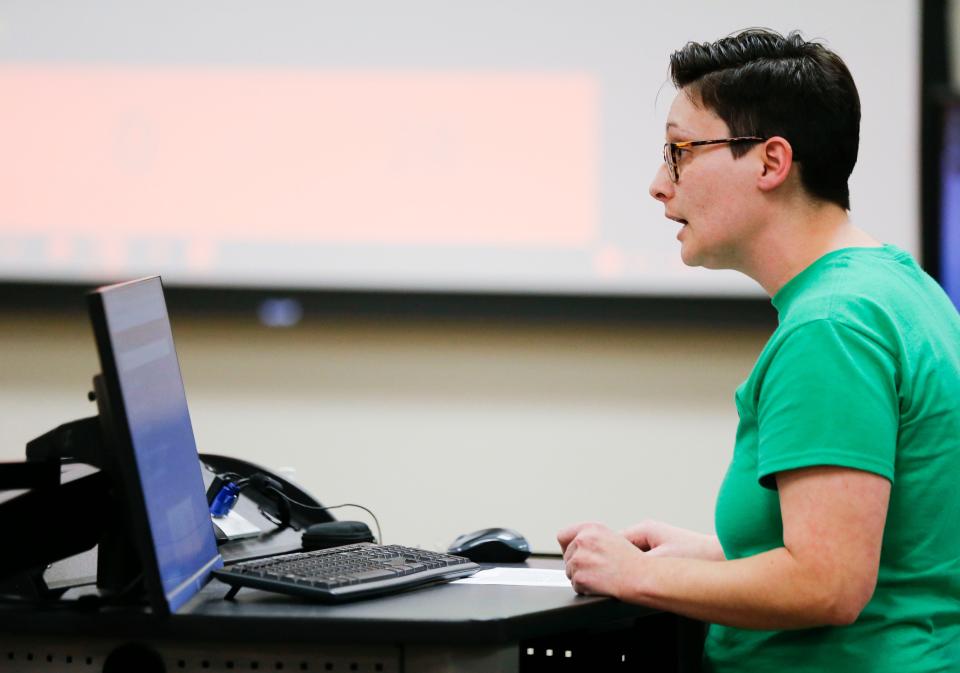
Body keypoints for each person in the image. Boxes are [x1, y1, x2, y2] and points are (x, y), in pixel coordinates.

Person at [558, 29, 960, 673]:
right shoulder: (896, 287)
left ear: (772, 163)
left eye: (680, 151)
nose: (660, 184)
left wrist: (636, 577)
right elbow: (890, 557)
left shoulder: (832, 326)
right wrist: (708, 555)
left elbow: (827, 585)